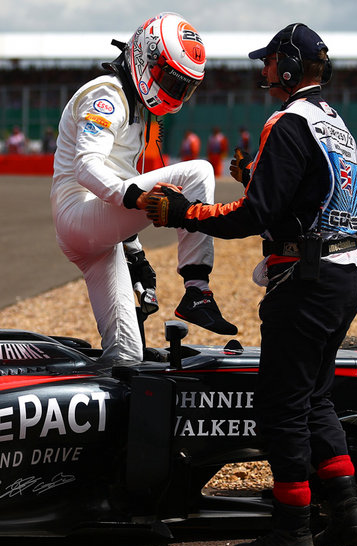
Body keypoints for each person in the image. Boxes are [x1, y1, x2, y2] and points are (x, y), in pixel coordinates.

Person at [142, 23, 357, 546]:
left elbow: (255, 215)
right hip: (346, 272)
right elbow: (310, 192)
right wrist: (259, 176)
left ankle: (293, 532)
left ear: (290, 65)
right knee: (315, 397)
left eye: (270, 62)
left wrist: (183, 213)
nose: (263, 71)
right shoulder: (333, 122)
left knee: (281, 408)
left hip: (307, 279)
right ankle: (347, 512)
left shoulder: (287, 121)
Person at [50, 12, 236, 365]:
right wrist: (137, 198)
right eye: (171, 79)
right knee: (198, 173)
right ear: (145, 56)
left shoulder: (136, 104)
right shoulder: (107, 94)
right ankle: (197, 291)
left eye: (184, 86)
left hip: (96, 231)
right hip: (79, 213)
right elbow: (88, 167)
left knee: (126, 356)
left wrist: (135, 255)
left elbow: (116, 179)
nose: (174, 92)